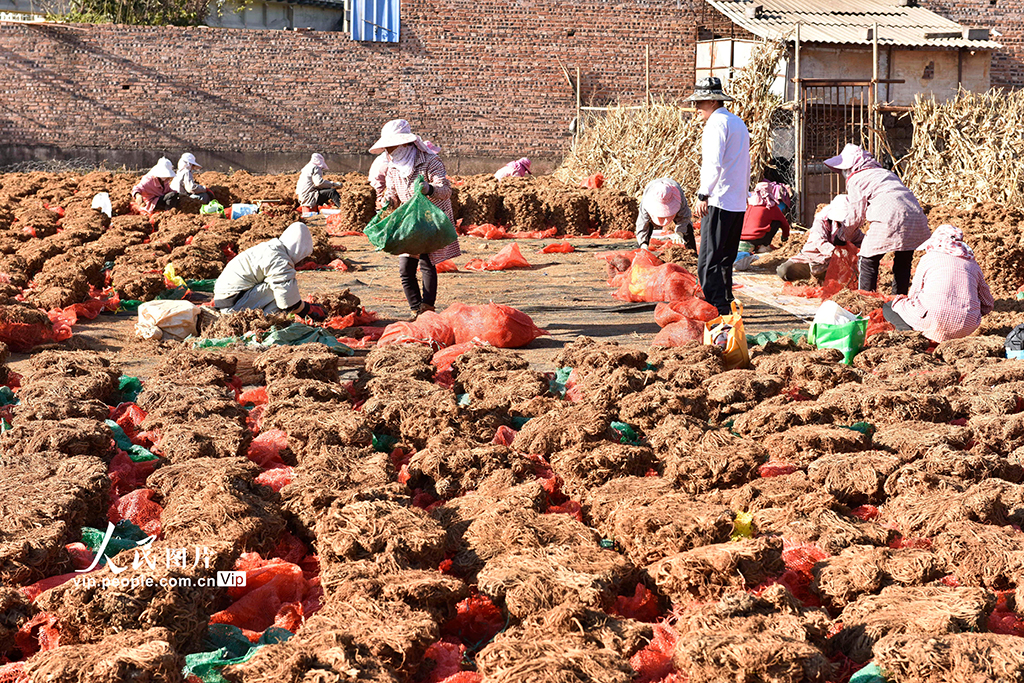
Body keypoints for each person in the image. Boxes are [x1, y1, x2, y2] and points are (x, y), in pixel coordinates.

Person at [370, 119, 461, 320]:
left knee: (427, 262)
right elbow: (393, 193)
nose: (389, 152)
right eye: (387, 148)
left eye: (392, 147)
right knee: (405, 268)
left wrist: (429, 189)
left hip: (431, 219)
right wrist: (387, 201)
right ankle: (415, 309)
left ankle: (427, 309)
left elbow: (445, 191)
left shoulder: (430, 161)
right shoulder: (393, 168)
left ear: (405, 144)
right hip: (411, 220)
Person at [824, 143, 930, 294]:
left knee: (867, 259)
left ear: (849, 168)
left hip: (891, 217)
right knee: (903, 261)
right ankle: (898, 301)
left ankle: (867, 299)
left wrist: (841, 236)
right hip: (915, 217)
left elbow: (855, 217)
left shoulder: (857, 179)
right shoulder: (886, 173)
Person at [687, 76, 751, 315]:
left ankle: (715, 308)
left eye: (700, 102)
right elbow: (745, 163)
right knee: (726, 258)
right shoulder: (737, 123)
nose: (696, 107)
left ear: (713, 101)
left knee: (708, 260)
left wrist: (703, 194)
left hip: (719, 199)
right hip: (736, 201)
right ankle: (727, 303)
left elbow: (713, 163)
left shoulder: (716, 124)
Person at [885, 224, 993, 342]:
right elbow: (988, 304)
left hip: (932, 318)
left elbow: (913, 293)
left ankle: (911, 337)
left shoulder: (929, 258)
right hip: (966, 325)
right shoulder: (972, 264)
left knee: (889, 307)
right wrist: (968, 315)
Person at [212, 221, 324, 319]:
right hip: (233, 305)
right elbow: (287, 299)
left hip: (227, 299)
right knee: (281, 291)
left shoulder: (271, 248)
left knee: (283, 288)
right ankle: (266, 320)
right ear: (299, 250)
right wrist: (307, 309)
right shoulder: (279, 259)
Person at [777, 195, 863, 281]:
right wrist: (835, 252)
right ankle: (813, 277)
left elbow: (860, 240)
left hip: (835, 265)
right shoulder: (822, 221)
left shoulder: (850, 228)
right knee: (784, 271)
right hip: (812, 258)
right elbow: (819, 241)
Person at [635, 177, 695, 251]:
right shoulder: (647, 200)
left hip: (673, 197)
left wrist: (680, 232)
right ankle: (643, 246)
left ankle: (691, 252)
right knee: (647, 224)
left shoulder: (678, 195)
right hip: (653, 195)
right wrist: (643, 243)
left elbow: (685, 217)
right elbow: (642, 223)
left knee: (687, 228)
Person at [740, 180, 791, 253]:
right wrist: (785, 237)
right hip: (757, 238)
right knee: (777, 222)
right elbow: (785, 224)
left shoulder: (749, 204)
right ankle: (764, 245)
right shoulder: (771, 206)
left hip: (740, 237)